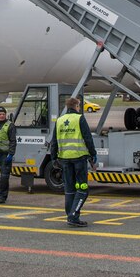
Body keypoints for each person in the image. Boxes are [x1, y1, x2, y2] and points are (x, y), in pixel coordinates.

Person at [48, 96, 98, 227]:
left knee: (69, 188)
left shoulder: (60, 120)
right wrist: (93, 154)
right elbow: (88, 138)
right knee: (82, 188)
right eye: (79, 106)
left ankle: (70, 213)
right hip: (79, 158)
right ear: (76, 106)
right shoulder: (79, 118)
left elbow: (54, 141)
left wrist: (54, 158)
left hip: (64, 159)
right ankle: (73, 216)